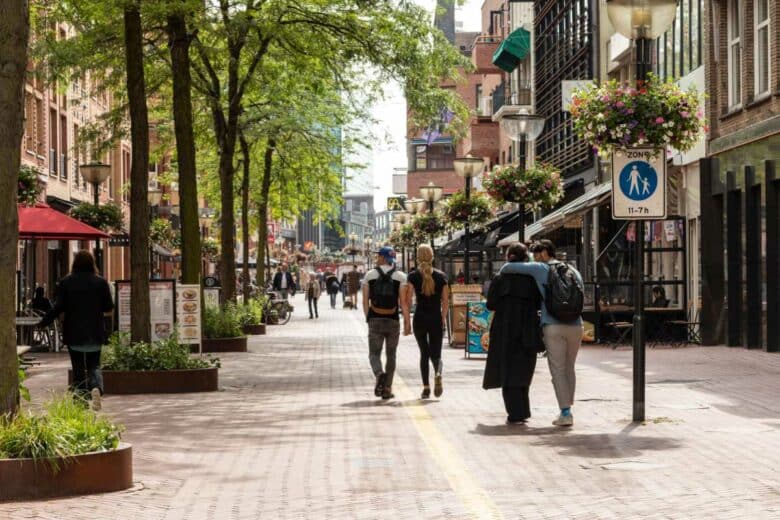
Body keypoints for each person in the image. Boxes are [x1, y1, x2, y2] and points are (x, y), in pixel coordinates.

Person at [499, 239, 584, 427]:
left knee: (558, 370)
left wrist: (526, 261)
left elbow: (506, 268)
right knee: (569, 367)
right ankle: (569, 406)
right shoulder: (574, 271)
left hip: (553, 325)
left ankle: (566, 412)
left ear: (544, 253)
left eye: (536, 254)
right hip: (576, 325)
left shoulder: (540, 268)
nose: (534, 257)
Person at [38, 251, 113, 410]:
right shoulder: (101, 282)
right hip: (95, 332)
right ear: (92, 263)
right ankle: (96, 387)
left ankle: (81, 400)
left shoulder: (66, 282)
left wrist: (44, 322)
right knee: (94, 365)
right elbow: (108, 306)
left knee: (78, 367)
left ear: (75, 263)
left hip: (74, 333)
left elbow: (58, 307)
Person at [484, 243, 545, 424]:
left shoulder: (500, 278)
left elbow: (490, 304)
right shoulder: (530, 280)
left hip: (504, 330)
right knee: (524, 368)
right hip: (527, 328)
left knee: (507, 369)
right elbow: (539, 302)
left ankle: (514, 411)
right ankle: (523, 410)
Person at [362, 246, 410, 400]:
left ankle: (379, 374)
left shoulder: (370, 275)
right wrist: (407, 322)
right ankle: (388, 388)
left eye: (378, 256)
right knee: (391, 354)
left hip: (375, 319)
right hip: (393, 320)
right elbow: (403, 303)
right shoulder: (401, 276)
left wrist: (368, 318)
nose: (377, 259)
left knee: (374, 354)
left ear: (382, 258)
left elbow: (364, 301)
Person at [407, 244, 449, 399]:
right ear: (432, 256)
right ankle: (438, 372)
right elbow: (445, 301)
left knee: (424, 354)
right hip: (435, 318)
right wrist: (443, 319)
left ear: (418, 257)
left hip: (420, 318)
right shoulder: (442, 276)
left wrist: (406, 318)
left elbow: (408, 300)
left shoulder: (412, 276)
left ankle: (426, 388)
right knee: (436, 354)